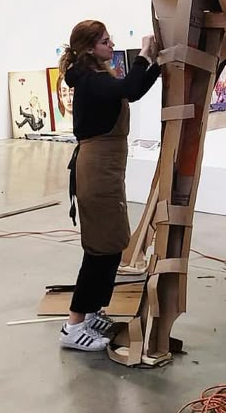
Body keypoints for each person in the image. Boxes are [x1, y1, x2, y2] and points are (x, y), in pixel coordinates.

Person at [57, 20, 160, 351]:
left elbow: (135, 88)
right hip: (97, 170)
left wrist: (156, 64)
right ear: (89, 48)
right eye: (105, 41)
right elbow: (129, 89)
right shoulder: (90, 80)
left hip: (107, 169)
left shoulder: (98, 77)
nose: (111, 44)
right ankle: (73, 326)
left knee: (113, 243)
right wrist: (145, 54)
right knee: (100, 249)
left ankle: (92, 312)